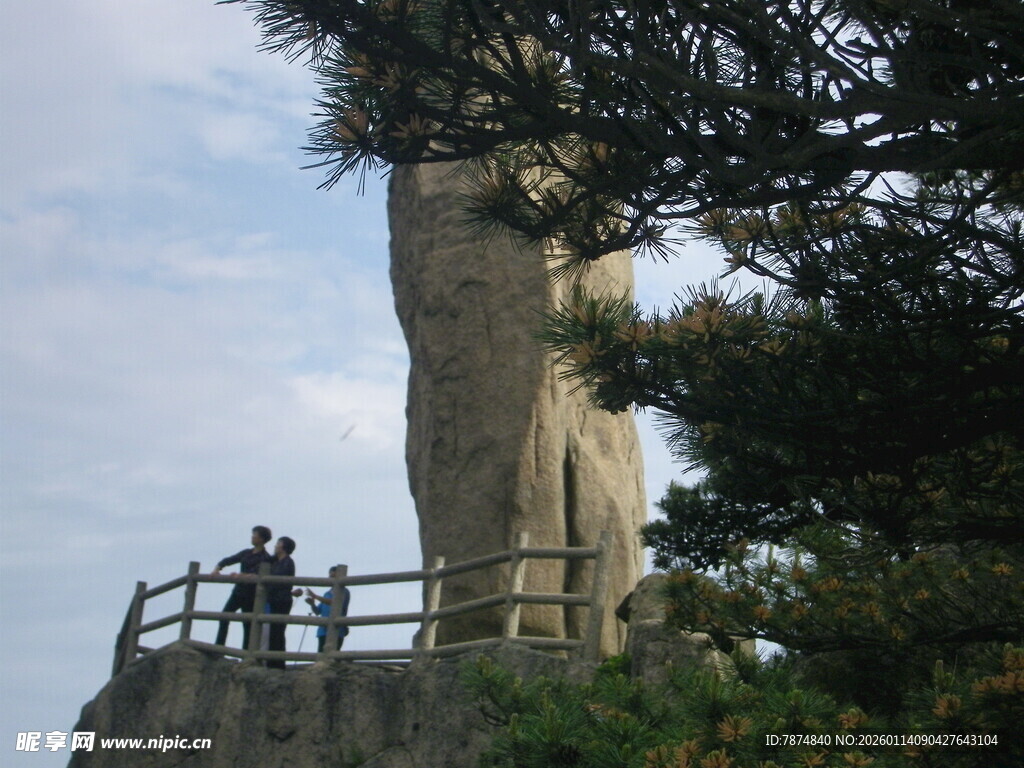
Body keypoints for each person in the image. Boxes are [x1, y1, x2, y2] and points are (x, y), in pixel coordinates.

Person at [211, 525, 274, 650]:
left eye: (254, 535)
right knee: (224, 616)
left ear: (261, 539)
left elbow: (257, 573)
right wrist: (217, 568)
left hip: (251, 594)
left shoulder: (266, 557)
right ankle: (219, 647)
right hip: (238, 591)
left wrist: (241, 575)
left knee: (247, 624)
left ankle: (246, 652)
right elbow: (229, 560)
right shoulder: (246, 553)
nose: (252, 537)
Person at [265, 536, 302, 669]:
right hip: (275, 599)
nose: (275, 546)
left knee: (278, 631)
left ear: (283, 547)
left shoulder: (287, 562)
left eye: (278, 543)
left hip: (282, 600)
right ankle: (272, 662)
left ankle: (277, 663)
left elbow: (279, 582)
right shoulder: (276, 561)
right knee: (273, 631)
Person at [305, 566, 351, 654]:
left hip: (338, 630)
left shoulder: (344, 591)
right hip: (323, 630)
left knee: (334, 654)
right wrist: (312, 604)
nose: (331, 579)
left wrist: (315, 596)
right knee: (321, 654)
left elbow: (334, 602)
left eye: (333, 576)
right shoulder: (326, 593)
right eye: (330, 577)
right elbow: (317, 611)